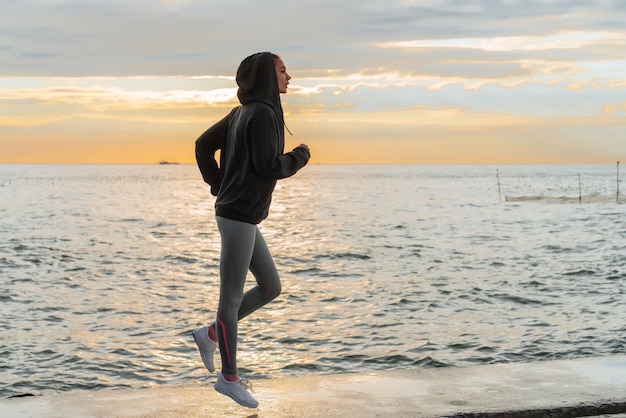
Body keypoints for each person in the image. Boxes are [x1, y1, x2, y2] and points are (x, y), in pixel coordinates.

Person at [192, 52, 310, 408]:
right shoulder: (262, 114)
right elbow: (268, 165)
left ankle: (210, 333)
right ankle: (229, 378)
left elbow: (202, 146)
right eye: (282, 70)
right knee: (229, 299)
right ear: (265, 77)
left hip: (241, 213)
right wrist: (300, 156)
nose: (289, 75)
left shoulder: (243, 113)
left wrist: (219, 185)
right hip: (238, 214)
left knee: (271, 286)